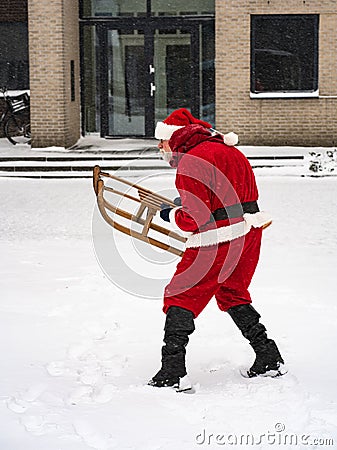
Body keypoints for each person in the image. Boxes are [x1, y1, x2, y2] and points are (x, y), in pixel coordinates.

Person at [148, 108, 286, 392]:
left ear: (175, 138)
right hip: (249, 232)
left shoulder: (190, 161)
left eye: (161, 141)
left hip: (219, 237)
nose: (159, 147)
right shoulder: (228, 149)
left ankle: (172, 371)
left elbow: (194, 219)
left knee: (181, 294)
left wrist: (169, 214)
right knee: (231, 291)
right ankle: (268, 356)